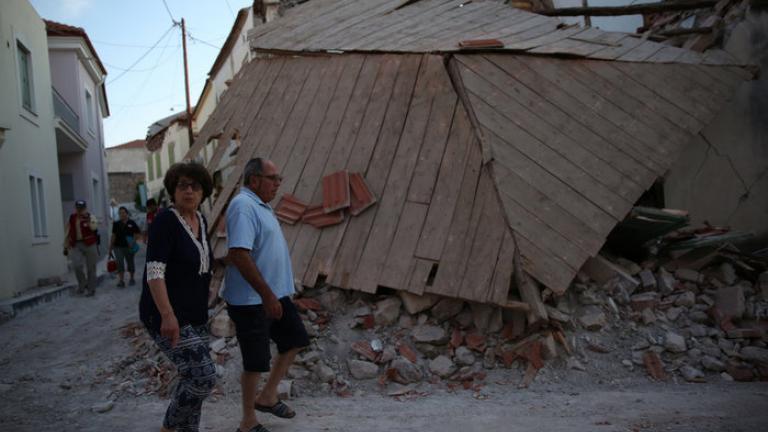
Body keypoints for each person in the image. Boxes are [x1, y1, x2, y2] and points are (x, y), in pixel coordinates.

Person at [224, 157, 310, 432]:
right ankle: (248, 422)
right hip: (253, 301)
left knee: (295, 339)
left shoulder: (261, 206)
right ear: (254, 180)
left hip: (274, 295)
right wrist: (267, 296)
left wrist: (278, 294)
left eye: (278, 178)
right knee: (255, 360)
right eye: (273, 178)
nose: (278, 183)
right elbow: (238, 253)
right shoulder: (243, 206)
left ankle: (268, 396)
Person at [139, 162, 217, 432]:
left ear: (204, 191)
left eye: (195, 185)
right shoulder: (165, 221)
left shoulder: (201, 221)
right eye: (182, 185)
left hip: (196, 314)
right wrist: (167, 315)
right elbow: (154, 271)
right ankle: (168, 428)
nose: (189, 190)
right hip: (166, 313)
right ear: (173, 190)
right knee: (204, 377)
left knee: (191, 377)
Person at [63, 200, 100, 296]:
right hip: (76, 244)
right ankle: (83, 284)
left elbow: (94, 228)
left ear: (85, 208)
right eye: (78, 208)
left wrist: (88, 220)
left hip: (90, 243)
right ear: (75, 208)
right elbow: (68, 231)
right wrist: (65, 245)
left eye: (82, 208)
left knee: (91, 267)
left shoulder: (90, 216)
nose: (80, 210)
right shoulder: (72, 218)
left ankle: (91, 289)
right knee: (76, 265)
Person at [109, 206, 141, 287]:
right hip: (118, 247)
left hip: (129, 247)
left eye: (123, 212)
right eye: (120, 213)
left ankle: (132, 278)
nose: (122, 214)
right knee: (119, 263)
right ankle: (121, 280)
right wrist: (110, 248)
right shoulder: (116, 224)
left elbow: (137, 234)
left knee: (130, 262)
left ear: (127, 213)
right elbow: (113, 236)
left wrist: (133, 242)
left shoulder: (131, 223)